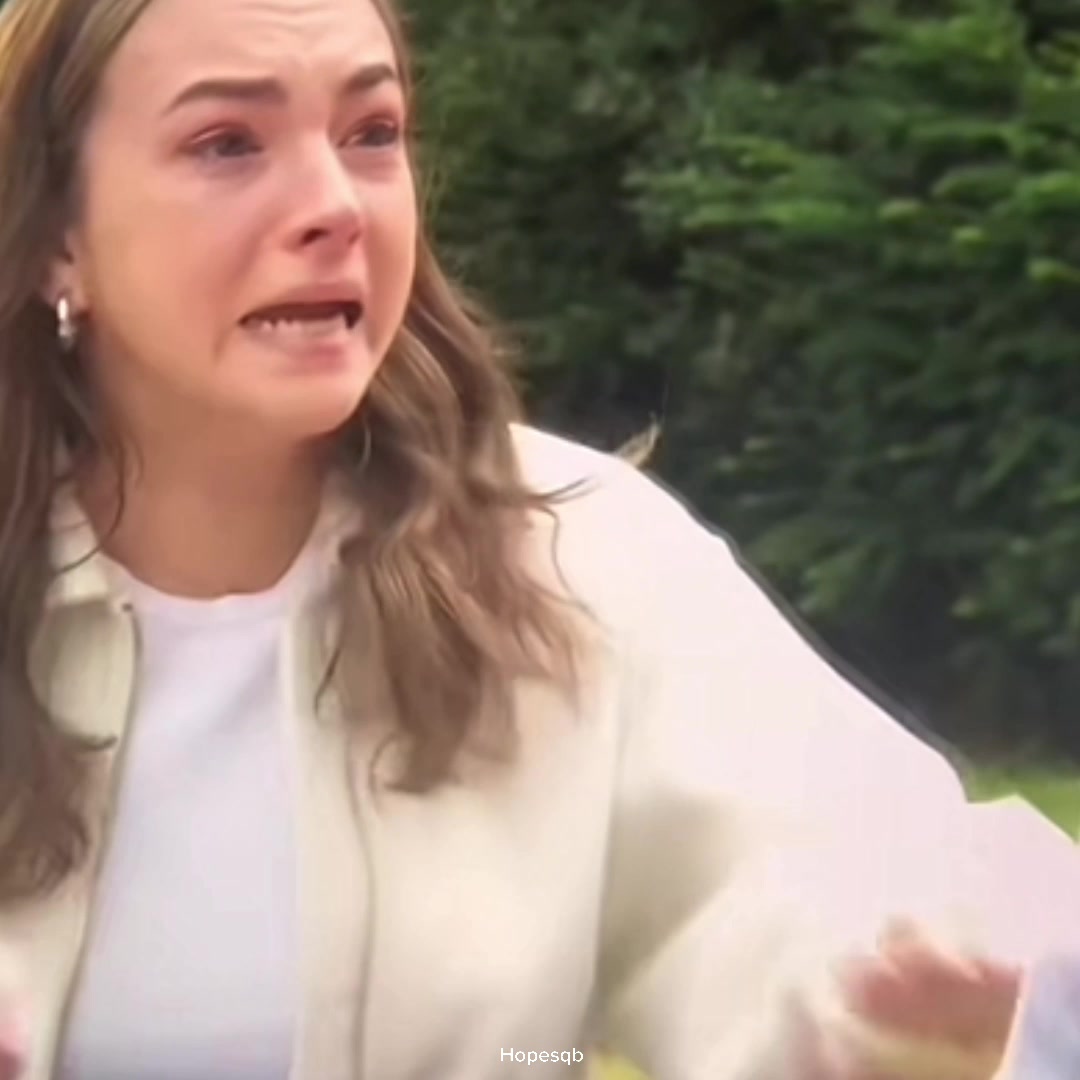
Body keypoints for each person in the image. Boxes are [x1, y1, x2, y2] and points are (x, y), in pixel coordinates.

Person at [0, 0, 1072, 1077]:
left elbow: (873, 880)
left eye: (372, 133)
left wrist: (978, 1002)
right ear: (55, 236)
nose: (333, 205)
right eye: (227, 143)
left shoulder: (572, 559)